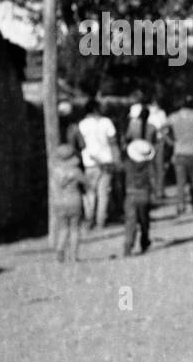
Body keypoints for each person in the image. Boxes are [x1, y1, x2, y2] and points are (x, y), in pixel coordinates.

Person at [77, 97, 120, 230]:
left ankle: (89, 219)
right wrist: (116, 159)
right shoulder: (106, 122)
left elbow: (81, 144)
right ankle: (101, 221)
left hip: (89, 162)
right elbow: (113, 142)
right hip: (107, 162)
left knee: (90, 193)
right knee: (103, 194)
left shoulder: (82, 124)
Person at [50, 142, 89, 263]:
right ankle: (73, 256)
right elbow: (86, 182)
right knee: (74, 229)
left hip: (59, 202)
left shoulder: (55, 172)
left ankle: (60, 250)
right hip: (74, 201)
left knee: (63, 229)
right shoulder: (76, 171)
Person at [167, 95, 193, 215]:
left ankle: (181, 205)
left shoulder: (174, 116)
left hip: (179, 151)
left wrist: (171, 141)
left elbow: (161, 129)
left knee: (180, 182)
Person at [122, 138, 156, 256]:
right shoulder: (148, 165)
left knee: (130, 221)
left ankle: (128, 245)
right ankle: (144, 241)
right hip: (144, 194)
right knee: (144, 220)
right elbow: (153, 179)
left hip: (130, 194)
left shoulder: (127, 164)